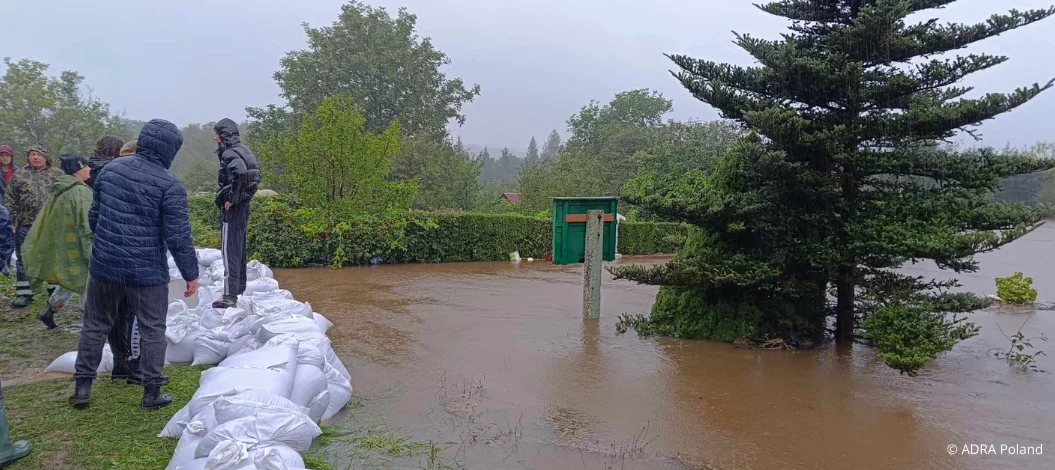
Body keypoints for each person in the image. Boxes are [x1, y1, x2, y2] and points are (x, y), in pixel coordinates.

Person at [70, 119, 199, 410]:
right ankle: (151, 393)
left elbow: (95, 217)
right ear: (169, 150)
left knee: (95, 324)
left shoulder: (110, 170)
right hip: (147, 271)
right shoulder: (170, 185)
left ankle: (83, 387)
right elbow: (178, 236)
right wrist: (191, 274)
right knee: (152, 328)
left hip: (105, 265)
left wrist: (107, 245)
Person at [21, 155, 93, 330]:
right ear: (78, 169)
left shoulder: (60, 189)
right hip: (80, 244)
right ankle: (90, 322)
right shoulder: (81, 192)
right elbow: (87, 223)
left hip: (65, 244)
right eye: (87, 166)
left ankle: (50, 309)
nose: (90, 169)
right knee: (87, 281)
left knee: (71, 277)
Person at [4, 145, 63, 308]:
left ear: (46, 157)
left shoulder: (57, 174)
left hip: (50, 225)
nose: (35, 157)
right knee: (24, 259)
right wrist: (15, 219)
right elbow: (10, 198)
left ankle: (54, 292)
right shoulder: (20, 174)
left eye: (38, 154)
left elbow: (65, 197)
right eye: (32, 154)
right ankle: (24, 293)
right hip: (25, 224)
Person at [211, 119, 261, 308]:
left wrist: (232, 198)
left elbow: (239, 173)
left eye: (216, 133)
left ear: (223, 135)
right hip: (243, 206)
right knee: (239, 247)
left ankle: (229, 296)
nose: (214, 137)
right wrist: (243, 197)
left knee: (229, 249)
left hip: (234, 208)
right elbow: (255, 176)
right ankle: (238, 287)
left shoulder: (230, 153)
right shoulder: (244, 150)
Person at [0, 146, 13, 276]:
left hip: (11, 209)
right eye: (2, 155)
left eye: (7, 155)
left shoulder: (17, 172)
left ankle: (6, 264)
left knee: (9, 238)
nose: (4, 157)